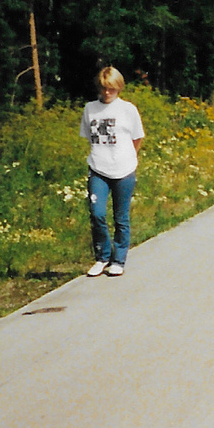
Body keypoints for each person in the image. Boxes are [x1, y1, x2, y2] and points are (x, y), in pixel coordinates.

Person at [79, 66, 145, 277]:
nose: (107, 93)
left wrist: (128, 157)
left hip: (124, 169)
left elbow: (137, 137)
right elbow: (89, 136)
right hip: (98, 167)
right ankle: (102, 257)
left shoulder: (128, 109)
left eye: (111, 89)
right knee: (97, 213)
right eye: (104, 88)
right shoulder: (90, 108)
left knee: (120, 217)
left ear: (118, 88)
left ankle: (118, 260)